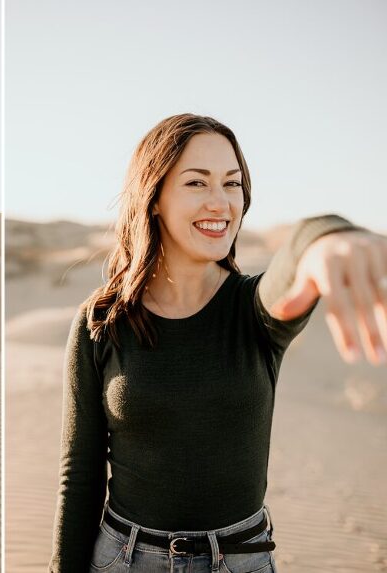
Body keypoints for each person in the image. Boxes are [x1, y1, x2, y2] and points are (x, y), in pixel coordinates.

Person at [50, 114, 387, 573]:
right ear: (153, 198)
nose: (221, 202)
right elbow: (80, 478)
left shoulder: (255, 311)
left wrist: (324, 235)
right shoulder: (102, 321)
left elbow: (295, 263)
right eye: (197, 183)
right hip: (123, 560)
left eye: (232, 183)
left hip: (240, 561)